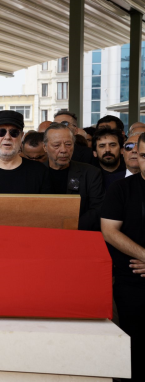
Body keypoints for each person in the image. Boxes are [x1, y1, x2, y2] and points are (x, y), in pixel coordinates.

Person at [100, 133, 145, 381]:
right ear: (137, 155)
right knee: (131, 351)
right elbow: (109, 231)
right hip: (132, 283)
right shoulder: (121, 188)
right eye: (144, 155)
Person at [43, 123, 104, 231]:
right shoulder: (36, 173)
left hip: (80, 233)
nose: (63, 150)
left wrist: (70, 228)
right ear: (45, 147)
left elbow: (97, 209)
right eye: (56, 145)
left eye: (68, 144)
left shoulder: (90, 173)